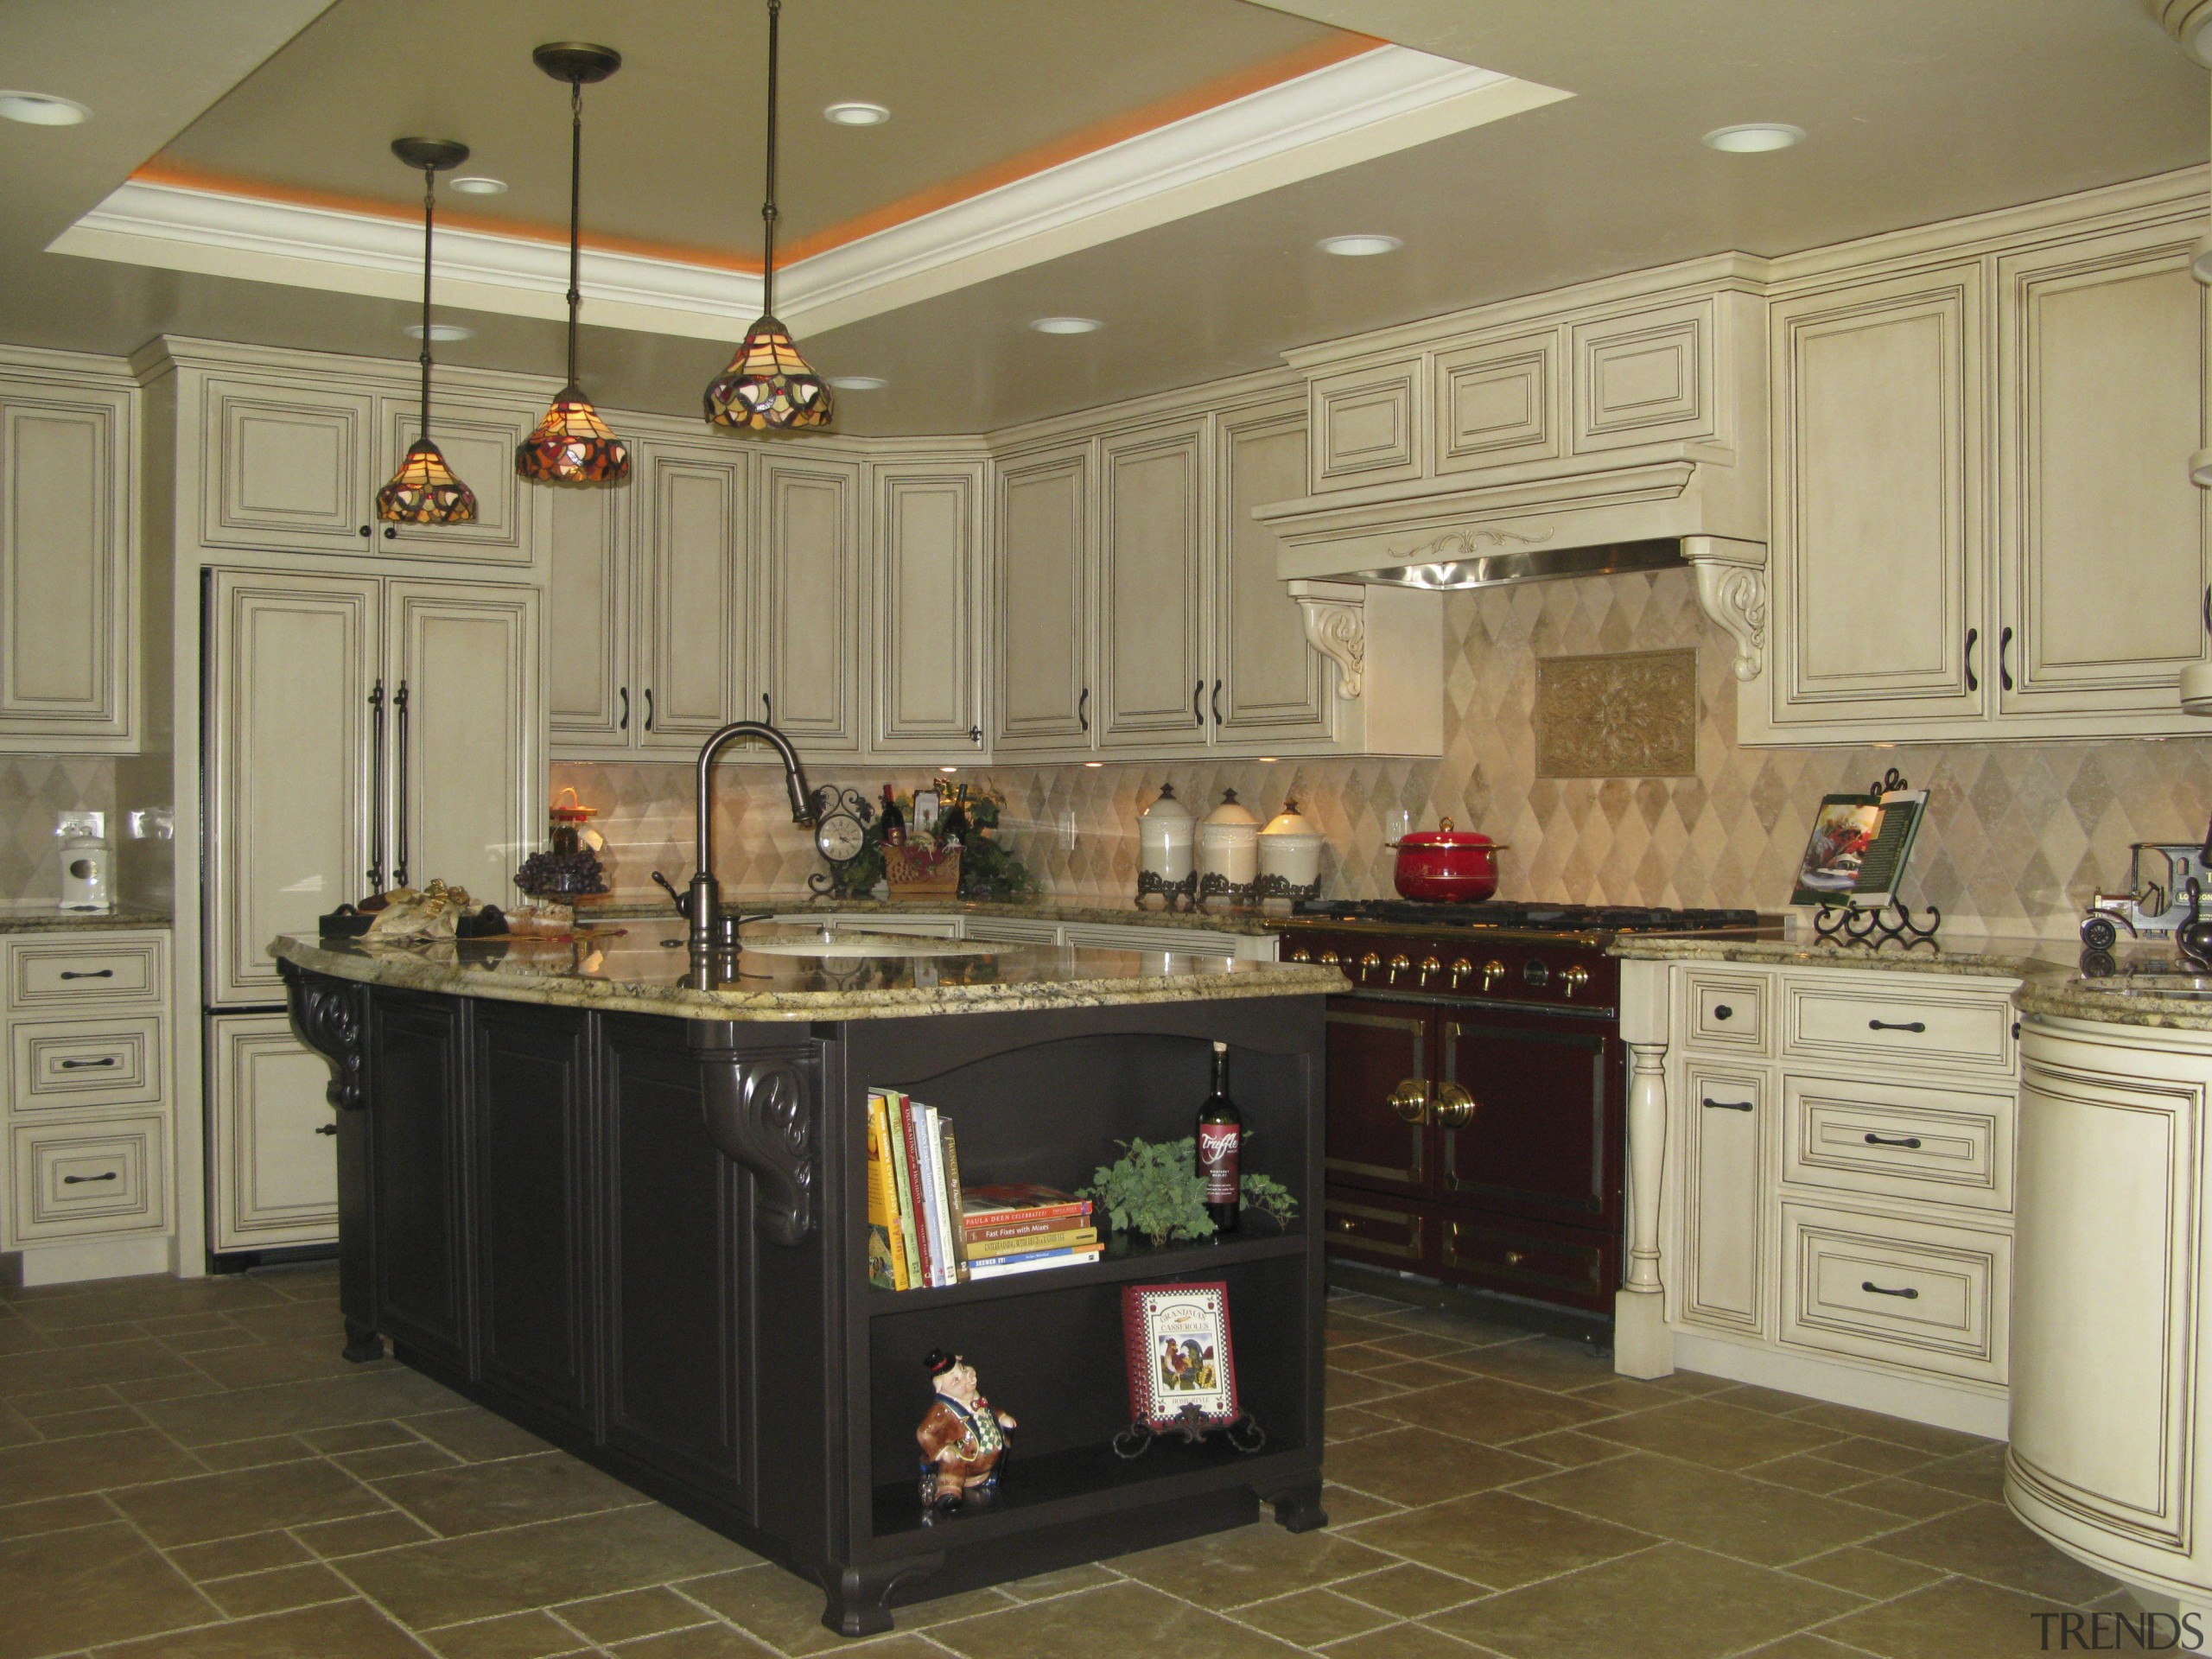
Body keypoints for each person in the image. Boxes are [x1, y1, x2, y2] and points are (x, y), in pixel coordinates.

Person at [915, 1350, 1016, 1513]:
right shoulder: (942, 1410)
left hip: (985, 1461)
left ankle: (987, 1475)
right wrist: (941, 1450)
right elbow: (924, 1433)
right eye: (956, 1380)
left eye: (962, 1370)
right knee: (953, 1463)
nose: (964, 1377)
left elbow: (989, 1411)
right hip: (962, 1456)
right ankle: (949, 1492)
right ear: (941, 1388)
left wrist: (1002, 1416)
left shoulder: (976, 1397)